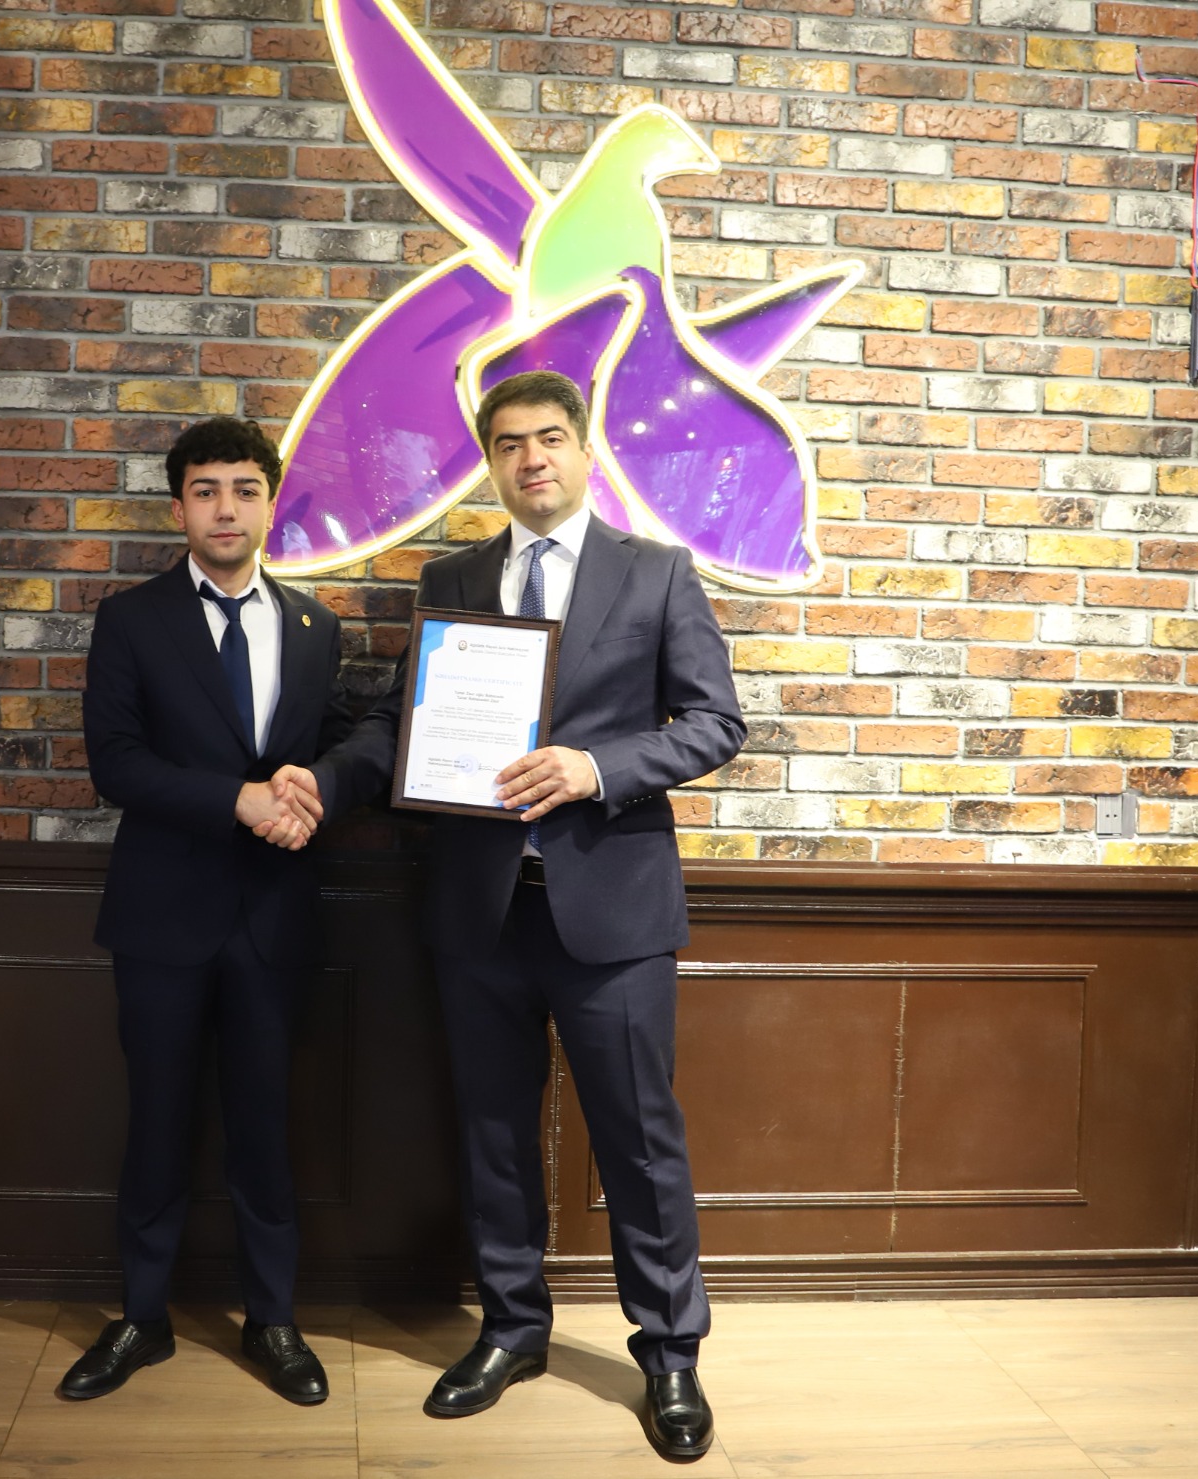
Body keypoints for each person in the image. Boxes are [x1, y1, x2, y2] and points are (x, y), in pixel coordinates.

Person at [274, 371, 745, 1460]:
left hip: (611, 910)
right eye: (507, 443)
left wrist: (595, 767)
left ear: (583, 449)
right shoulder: (454, 576)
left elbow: (716, 722)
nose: (530, 458)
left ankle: (670, 1352)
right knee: (491, 1130)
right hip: (477, 908)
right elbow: (402, 722)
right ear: (490, 463)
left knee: (638, 1138)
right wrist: (324, 783)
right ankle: (512, 1327)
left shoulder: (657, 573)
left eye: (548, 438)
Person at [66, 416, 351, 1407]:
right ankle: (142, 1316)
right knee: (157, 1121)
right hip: (162, 916)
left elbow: (338, 743)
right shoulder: (131, 620)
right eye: (204, 490)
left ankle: (273, 1319)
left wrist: (312, 786)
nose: (225, 508)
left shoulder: (316, 626)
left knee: (265, 1126)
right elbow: (116, 764)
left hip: (275, 916)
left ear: (271, 503)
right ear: (178, 506)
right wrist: (237, 799)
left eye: (244, 488)